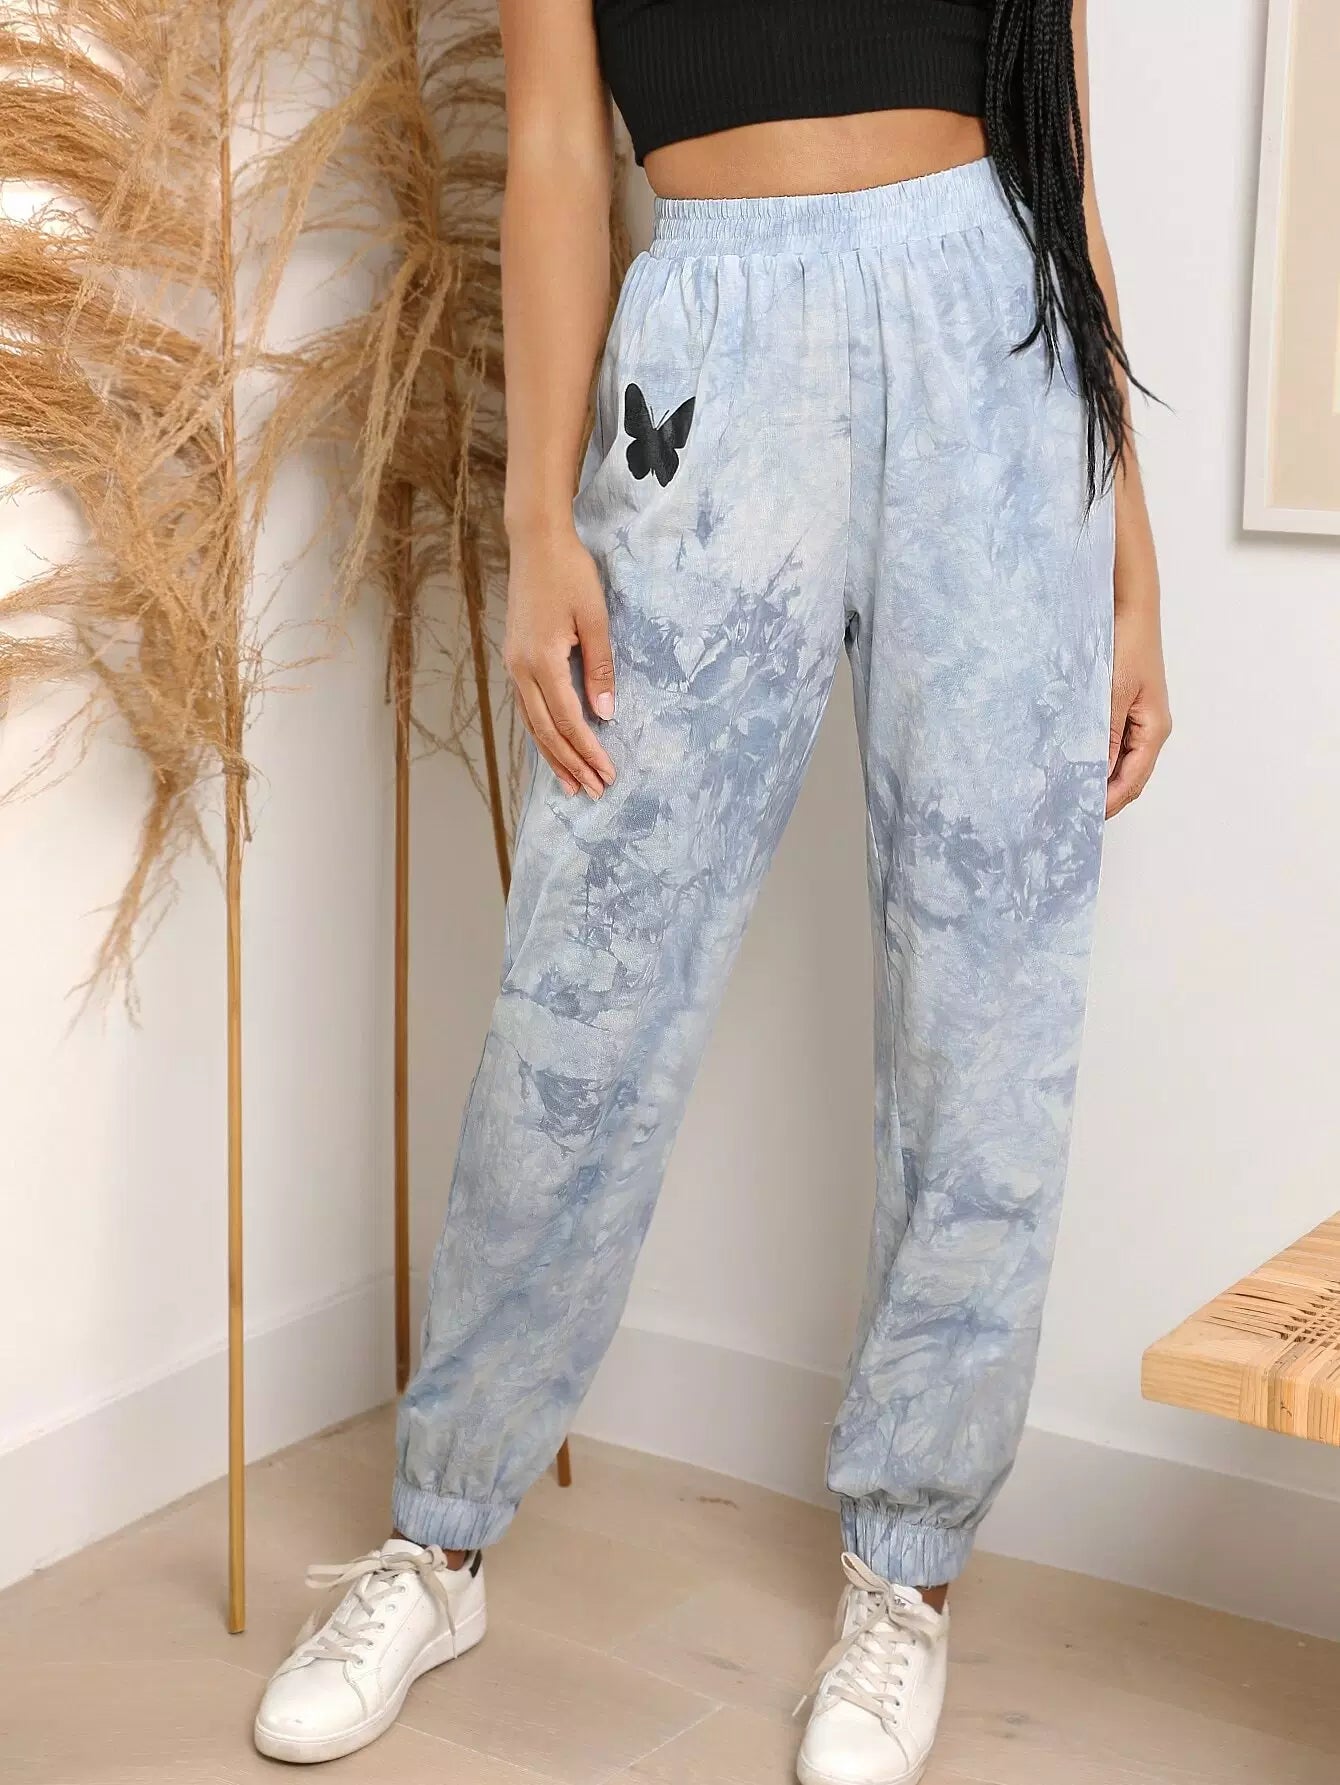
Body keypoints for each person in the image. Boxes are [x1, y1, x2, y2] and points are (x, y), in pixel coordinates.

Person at [253, 0, 1172, 1776]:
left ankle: (906, 1572)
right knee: (589, 984)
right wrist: (540, 528)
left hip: (996, 348)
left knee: (990, 1000)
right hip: (713, 342)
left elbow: (1063, 173)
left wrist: (1129, 554)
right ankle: (439, 1536)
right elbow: (553, 149)